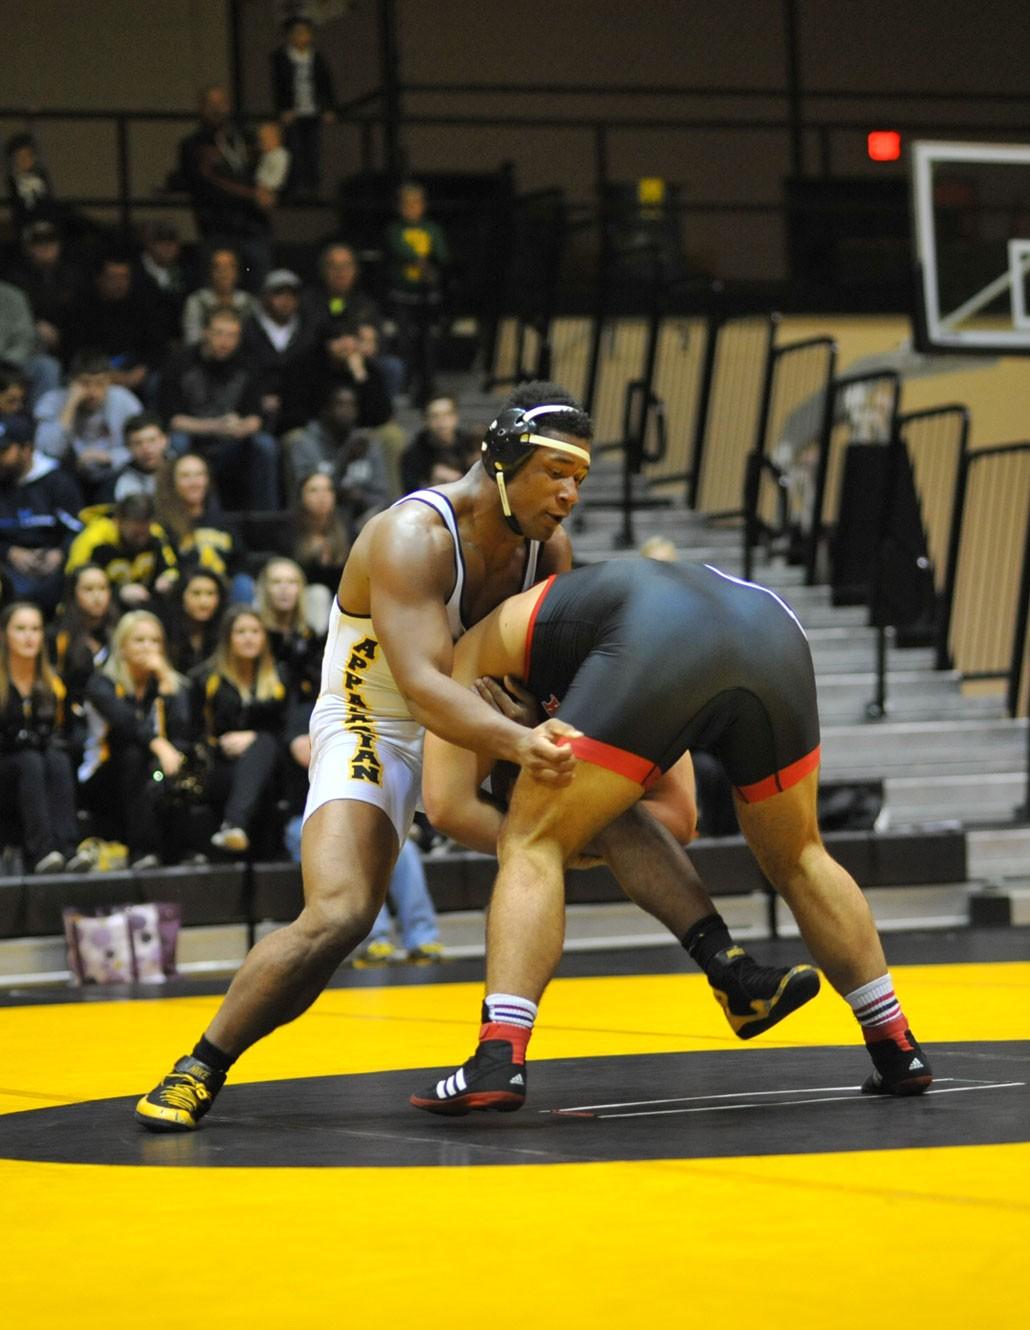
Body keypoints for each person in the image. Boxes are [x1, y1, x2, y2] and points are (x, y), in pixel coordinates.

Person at [135, 381, 815, 1131]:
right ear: (500, 461)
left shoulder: (545, 546)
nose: (568, 496)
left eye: (580, 480)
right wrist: (522, 745)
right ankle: (201, 1064)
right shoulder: (410, 536)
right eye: (555, 474)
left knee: (602, 804)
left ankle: (731, 973)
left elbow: (548, 654)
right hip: (380, 717)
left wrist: (551, 729)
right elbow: (424, 689)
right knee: (341, 913)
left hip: (484, 712)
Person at [410, 557, 934, 1115]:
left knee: (530, 841)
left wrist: (557, 833)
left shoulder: (478, 648)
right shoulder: (595, 618)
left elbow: (446, 806)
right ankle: (895, 1044)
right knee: (801, 854)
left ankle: (498, 1054)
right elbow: (679, 816)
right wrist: (585, 817)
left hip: (660, 640)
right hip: (773, 629)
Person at [78, 610, 192, 869]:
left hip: (150, 773)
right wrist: (160, 745)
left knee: (180, 754)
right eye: (139, 640)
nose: (148, 648)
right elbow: (126, 724)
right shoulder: (102, 683)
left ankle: (181, 851)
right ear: (122, 646)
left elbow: (181, 730)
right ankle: (143, 851)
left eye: (154, 641)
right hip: (103, 777)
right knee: (135, 754)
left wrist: (166, 682)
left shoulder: (165, 682)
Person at [189, 605, 286, 857]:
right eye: (240, 631)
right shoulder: (206, 678)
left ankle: (234, 824)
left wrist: (252, 738)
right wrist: (219, 745)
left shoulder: (279, 678)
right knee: (259, 751)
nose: (249, 637)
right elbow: (192, 732)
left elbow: (287, 732)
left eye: (255, 631)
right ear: (227, 638)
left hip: (270, 772)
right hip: (220, 767)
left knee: (264, 742)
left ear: (264, 637)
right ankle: (233, 825)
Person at [160, 307, 280, 510]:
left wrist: (242, 428)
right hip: (194, 442)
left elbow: (256, 417)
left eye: (232, 335)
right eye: (219, 333)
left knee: (264, 445)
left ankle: (266, 522)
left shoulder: (247, 363)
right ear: (205, 332)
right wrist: (216, 426)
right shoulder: (180, 362)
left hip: (231, 444)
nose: (225, 341)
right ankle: (180, 515)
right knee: (177, 442)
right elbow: (172, 419)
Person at [0, 601, 82, 874]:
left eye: (35, 629)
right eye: (20, 629)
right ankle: (42, 851)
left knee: (57, 759)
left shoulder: (53, 682)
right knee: (30, 760)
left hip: (38, 765)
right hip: (8, 767)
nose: (29, 636)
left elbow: (70, 734)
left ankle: (68, 850)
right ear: (4, 635)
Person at [176, 86, 272, 289]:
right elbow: (206, 184)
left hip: (252, 228)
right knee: (216, 291)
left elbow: (266, 173)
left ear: (229, 106)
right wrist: (252, 194)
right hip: (216, 229)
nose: (217, 109)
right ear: (201, 108)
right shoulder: (193, 145)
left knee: (257, 289)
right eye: (211, 104)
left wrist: (269, 192)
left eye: (221, 103)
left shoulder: (246, 139)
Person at [0, 411, 83, 614]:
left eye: (4, 451)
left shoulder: (57, 482)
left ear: (26, 449)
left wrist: (60, 553)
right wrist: (9, 552)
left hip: (52, 567)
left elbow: (78, 529)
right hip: (7, 567)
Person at [34, 350, 143, 502]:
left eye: (100, 383)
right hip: (69, 475)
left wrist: (111, 457)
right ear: (71, 381)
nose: (93, 392)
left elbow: (142, 447)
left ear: (109, 381)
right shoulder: (52, 401)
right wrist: (70, 404)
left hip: (112, 474)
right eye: (85, 384)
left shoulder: (124, 400)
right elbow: (48, 451)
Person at [152, 451, 250, 603]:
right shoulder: (163, 526)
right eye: (186, 476)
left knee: (243, 584)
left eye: (199, 475)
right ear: (173, 482)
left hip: (221, 595)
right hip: (184, 596)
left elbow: (239, 563)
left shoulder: (223, 523)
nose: (194, 482)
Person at [384, 181, 449, 404]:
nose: (411, 208)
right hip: (403, 295)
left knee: (428, 341)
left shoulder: (432, 229)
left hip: (427, 296)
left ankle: (428, 382)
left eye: (415, 203)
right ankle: (405, 381)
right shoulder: (394, 230)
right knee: (404, 340)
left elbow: (441, 253)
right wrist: (420, 261)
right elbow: (398, 248)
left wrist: (430, 264)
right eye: (406, 204)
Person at [65, 492, 178, 611]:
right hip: (103, 610)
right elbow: (74, 585)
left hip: (145, 608)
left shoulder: (155, 533)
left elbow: (172, 567)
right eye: (135, 533)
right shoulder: (93, 541)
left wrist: (168, 578)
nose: (142, 538)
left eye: (145, 528)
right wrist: (118, 592)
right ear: (118, 521)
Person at [240, 268, 320, 434]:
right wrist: (257, 400)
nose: (286, 300)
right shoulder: (247, 330)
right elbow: (243, 372)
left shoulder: (309, 330)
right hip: (256, 412)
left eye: (291, 294)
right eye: (278, 293)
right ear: (265, 296)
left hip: (300, 412)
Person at [270, 15, 337, 196]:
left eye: (305, 33)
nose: (302, 37)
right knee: (294, 149)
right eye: (298, 33)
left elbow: (326, 84)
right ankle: (295, 186)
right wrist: (284, 109)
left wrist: (329, 108)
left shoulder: (316, 58)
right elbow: (279, 87)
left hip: (312, 111)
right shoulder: (281, 57)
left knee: (313, 150)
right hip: (293, 112)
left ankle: (313, 186)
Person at [288, 471, 350, 631]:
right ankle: (318, 649)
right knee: (318, 594)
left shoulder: (347, 528)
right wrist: (312, 555)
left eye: (328, 490)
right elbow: (289, 573)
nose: (322, 496)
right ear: (301, 497)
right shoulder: (289, 529)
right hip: (303, 597)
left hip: (343, 597)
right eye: (314, 490)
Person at [400, 392, 479, 493]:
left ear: (456, 417)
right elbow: (410, 494)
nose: (442, 421)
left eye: (447, 414)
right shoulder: (413, 454)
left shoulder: (470, 445)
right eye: (435, 416)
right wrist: (431, 484)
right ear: (425, 420)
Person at [181, 247, 255, 347]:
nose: (224, 273)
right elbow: (192, 339)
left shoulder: (248, 302)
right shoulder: (197, 300)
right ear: (210, 272)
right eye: (218, 267)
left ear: (237, 272)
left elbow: (253, 340)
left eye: (229, 267)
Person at [158, 567, 225, 676]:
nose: (204, 602)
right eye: (196, 593)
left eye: (210, 593)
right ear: (181, 596)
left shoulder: (226, 631)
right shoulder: (165, 628)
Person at [254, 121, 291, 200]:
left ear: (277, 139)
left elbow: (277, 176)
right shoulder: (266, 155)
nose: (260, 144)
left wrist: (266, 187)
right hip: (260, 187)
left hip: (270, 190)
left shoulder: (280, 155)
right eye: (259, 140)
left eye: (264, 139)